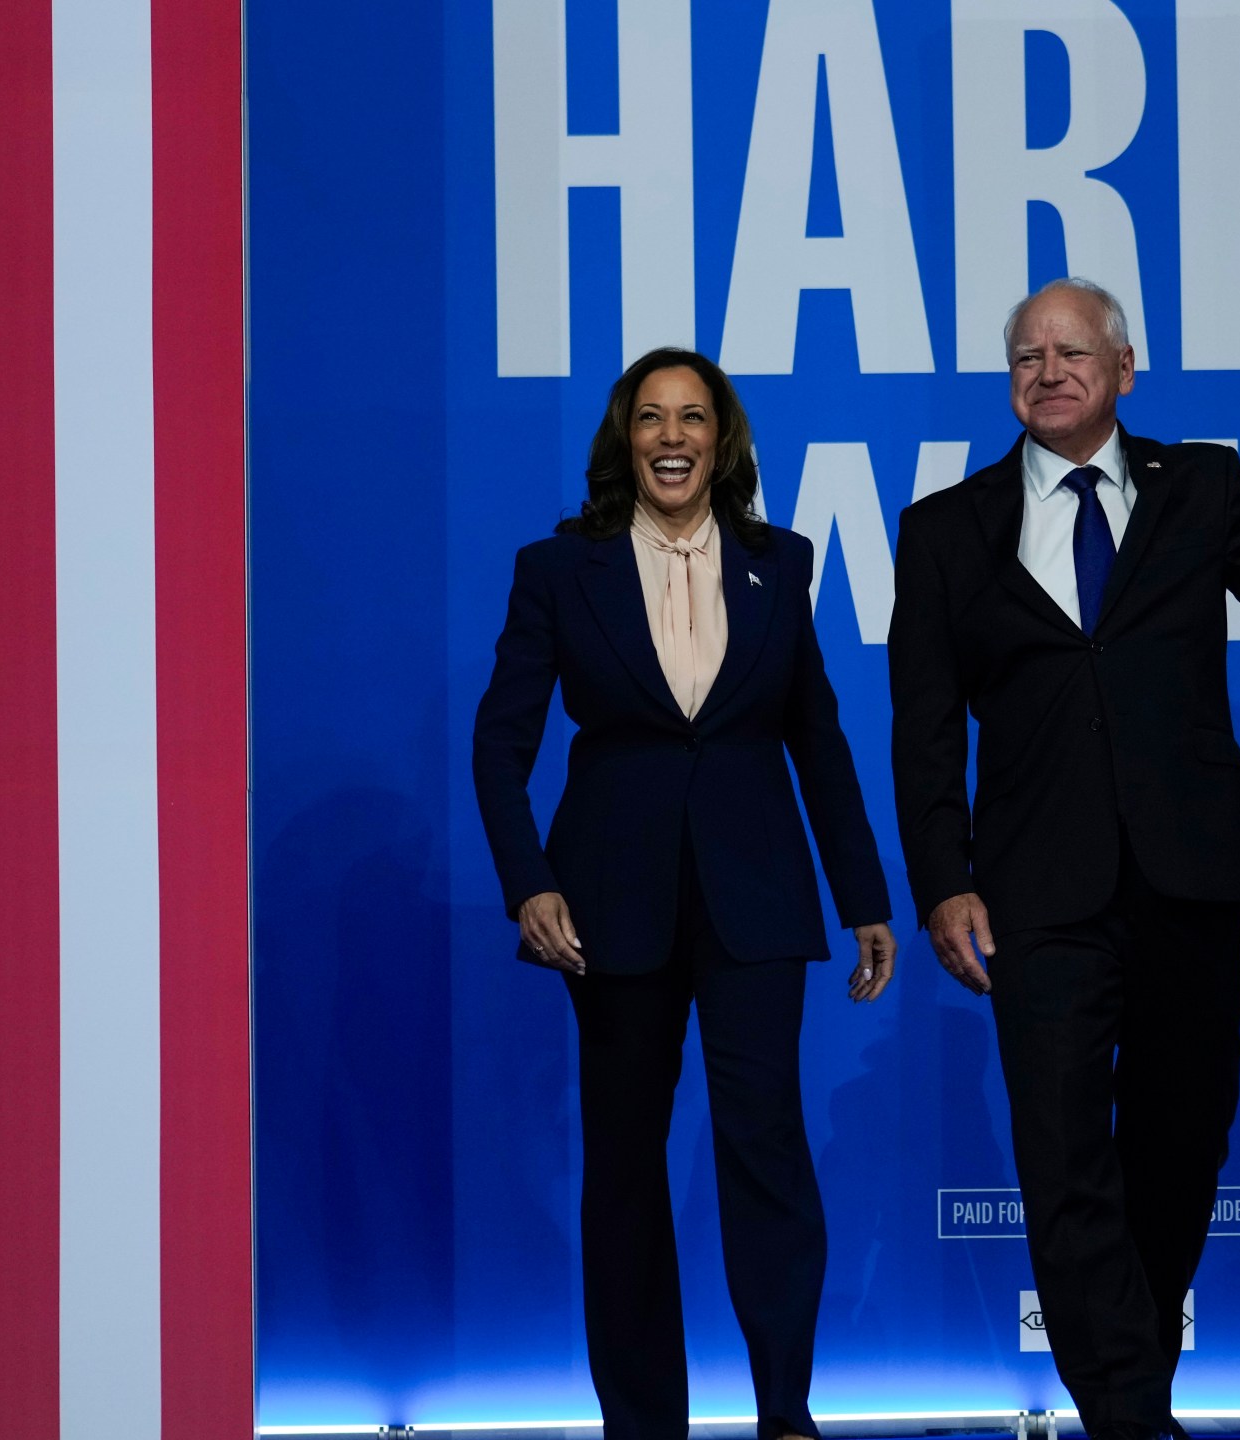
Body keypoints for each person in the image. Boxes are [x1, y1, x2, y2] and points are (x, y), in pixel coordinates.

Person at [888, 278, 1240, 1436]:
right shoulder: (945, 529)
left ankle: (1133, 1379)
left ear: (1122, 367)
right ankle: (1126, 1416)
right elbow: (921, 729)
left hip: (1187, 881)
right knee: (1062, 1155)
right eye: (1025, 355)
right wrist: (942, 880)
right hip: (1033, 894)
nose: (1047, 369)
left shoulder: (1196, 485)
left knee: (1180, 1138)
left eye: (1070, 351)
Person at [472, 346, 897, 1440]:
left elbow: (818, 737)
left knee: (766, 1145)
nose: (672, 437)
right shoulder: (560, 569)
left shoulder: (780, 560)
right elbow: (499, 743)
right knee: (623, 1161)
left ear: (723, 439)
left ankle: (784, 1411)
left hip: (754, 898)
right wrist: (530, 885)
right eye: (651, 418)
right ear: (626, 438)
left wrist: (865, 896)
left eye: (693, 418)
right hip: (609, 903)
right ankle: (643, 1423)